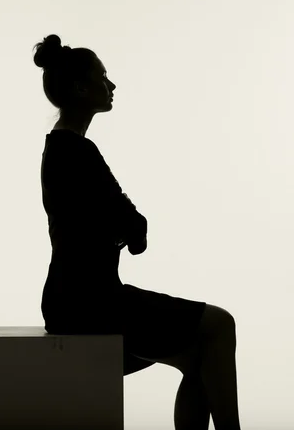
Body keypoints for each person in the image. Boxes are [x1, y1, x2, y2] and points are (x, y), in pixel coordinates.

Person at [34, 34, 242, 430]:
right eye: (104, 77)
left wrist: (123, 228)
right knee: (220, 325)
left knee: (200, 357)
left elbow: (123, 224)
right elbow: (134, 226)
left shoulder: (62, 148)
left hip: (74, 299)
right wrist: (126, 228)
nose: (112, 85)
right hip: (91, 303)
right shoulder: (78, 152)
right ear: (81, 88)